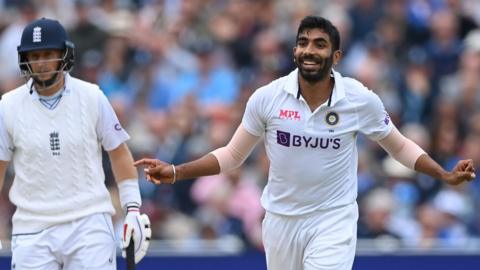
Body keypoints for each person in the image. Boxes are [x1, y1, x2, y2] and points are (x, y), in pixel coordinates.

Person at [135, 16, 476, 270]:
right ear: (295, 49)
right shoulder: (267, 98)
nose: (309, 51)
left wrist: (443, 174)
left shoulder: (359, 99)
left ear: (337, 57)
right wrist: (176, 171)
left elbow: (400, 146)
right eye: (303, 42)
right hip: (281, 220)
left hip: (333, 218)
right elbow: (232, 155)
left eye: (319, 44)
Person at [0, 18, 151, 269]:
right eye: (34, 55)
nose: (41, 63)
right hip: (32, 225)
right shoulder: (7, 106)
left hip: (88, 223)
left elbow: (119, 153)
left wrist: (132, 208)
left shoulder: (92, 96)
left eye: (48, 54)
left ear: (65, 55)